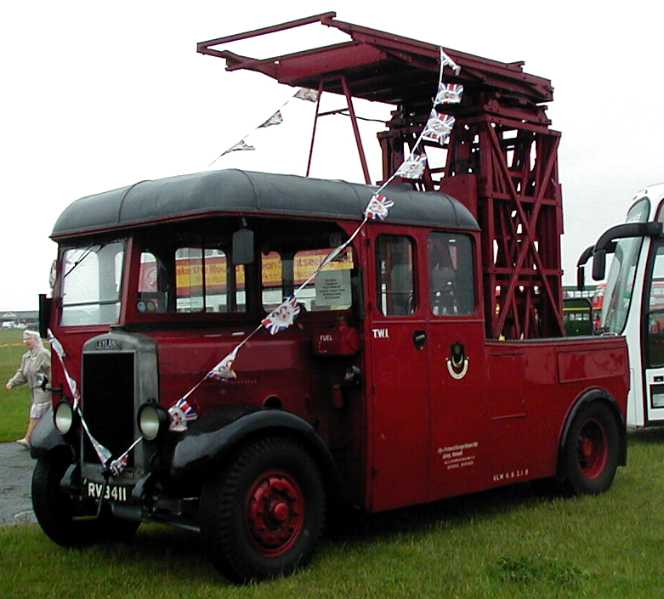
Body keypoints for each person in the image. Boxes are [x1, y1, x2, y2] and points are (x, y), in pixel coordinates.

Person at [4, 329, 51, 448]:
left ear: (35, 340)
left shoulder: (43, 354)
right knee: (42, 415)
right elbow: (22, 373)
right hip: (34, 390)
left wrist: (55, 386)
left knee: (36, 413)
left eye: (28, 339)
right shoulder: (26, 357)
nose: (26, 341)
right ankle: (40, 440)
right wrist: (12, 383)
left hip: (45, 388)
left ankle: (28, 439)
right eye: (24, 339)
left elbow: (52, 371)